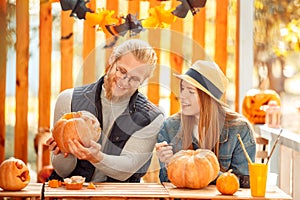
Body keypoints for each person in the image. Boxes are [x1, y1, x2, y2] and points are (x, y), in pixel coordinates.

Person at [46, 39, 164, 183]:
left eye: (134, 79)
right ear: (112, 60)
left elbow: (126, 170)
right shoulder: (68, 100)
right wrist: (66, 151)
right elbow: (62, 171)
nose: (124, 82)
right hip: (74, 194)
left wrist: (96, 157)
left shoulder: (152, 118)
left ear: (143, 81)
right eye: (121, 70)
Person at [156, 60, 256, 188]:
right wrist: (168, 164)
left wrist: (203, 169)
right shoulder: (169, 127)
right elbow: (166, 184)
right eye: (182, 89)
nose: (182, 96)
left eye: (191, 91)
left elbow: (243, 184)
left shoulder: (239, 129)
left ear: (208, 98)